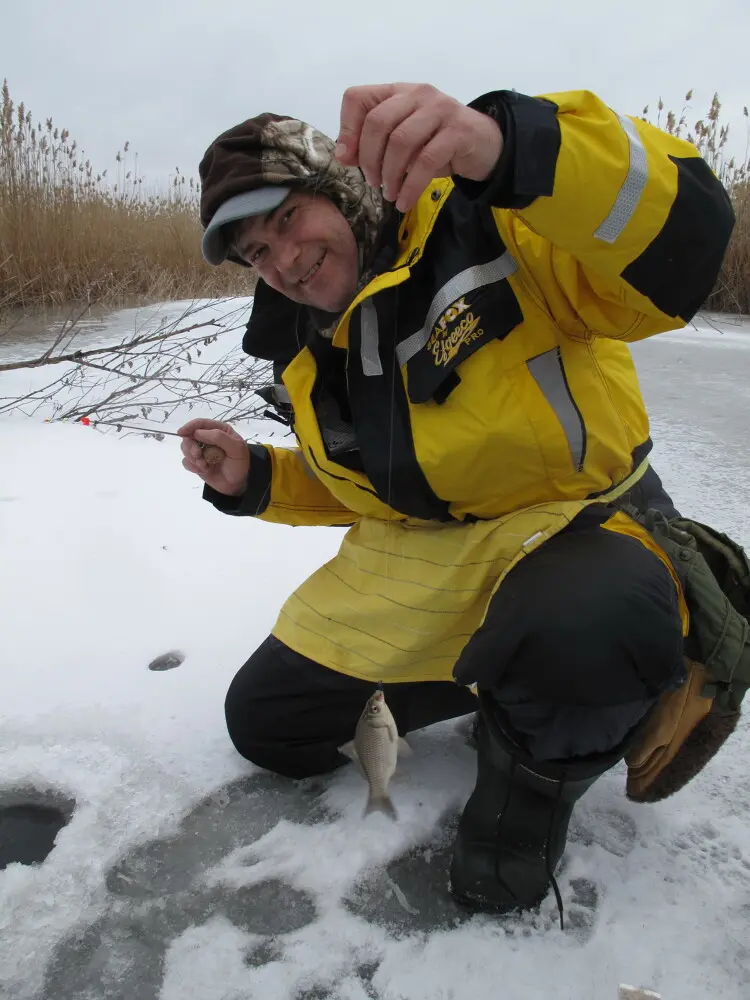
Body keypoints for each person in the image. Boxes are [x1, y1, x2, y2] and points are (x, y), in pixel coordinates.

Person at [179, 83, 735, 918]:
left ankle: (546, 775)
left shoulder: (496, 224)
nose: (283, 261)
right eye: (257, 252)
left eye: (287, 220)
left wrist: (517, 150)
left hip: (583, 528)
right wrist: (255, 478)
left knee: (588, 625)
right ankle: (514, 689)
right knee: (269, 723)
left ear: (337, 187)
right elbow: (371, 489)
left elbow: (686, 239)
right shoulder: (309, 346)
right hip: (448, 556)